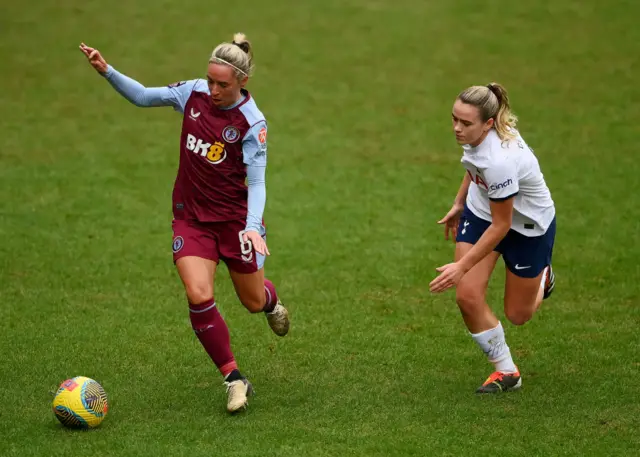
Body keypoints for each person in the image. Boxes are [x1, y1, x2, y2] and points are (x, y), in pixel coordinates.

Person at [79, 33, 290, 413]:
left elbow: (257, 182)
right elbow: (144, 96)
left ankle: (271, 301)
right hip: (192, 220)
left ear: (242, 81)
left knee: (252, 300)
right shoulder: (192, 94)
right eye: (209, 80)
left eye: (222, 84)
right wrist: (107, 71)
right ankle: (234, 378)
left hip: (234, 224)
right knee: (198, 293)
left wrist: (253, 227)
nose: (212, 90)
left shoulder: (252, 123)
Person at [430, 83, 556, 393]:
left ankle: (543, 277)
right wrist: (460, 202)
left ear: (488, 123)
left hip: (526, 227)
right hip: (482, 210)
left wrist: (461, 267)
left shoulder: (499, 160)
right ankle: (506, 371)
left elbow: (501, 226)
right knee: (467, 296)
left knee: (518, 314)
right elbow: (474, 165)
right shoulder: (479, 133)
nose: (457, 128)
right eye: (454, 119)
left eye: (465, 123)